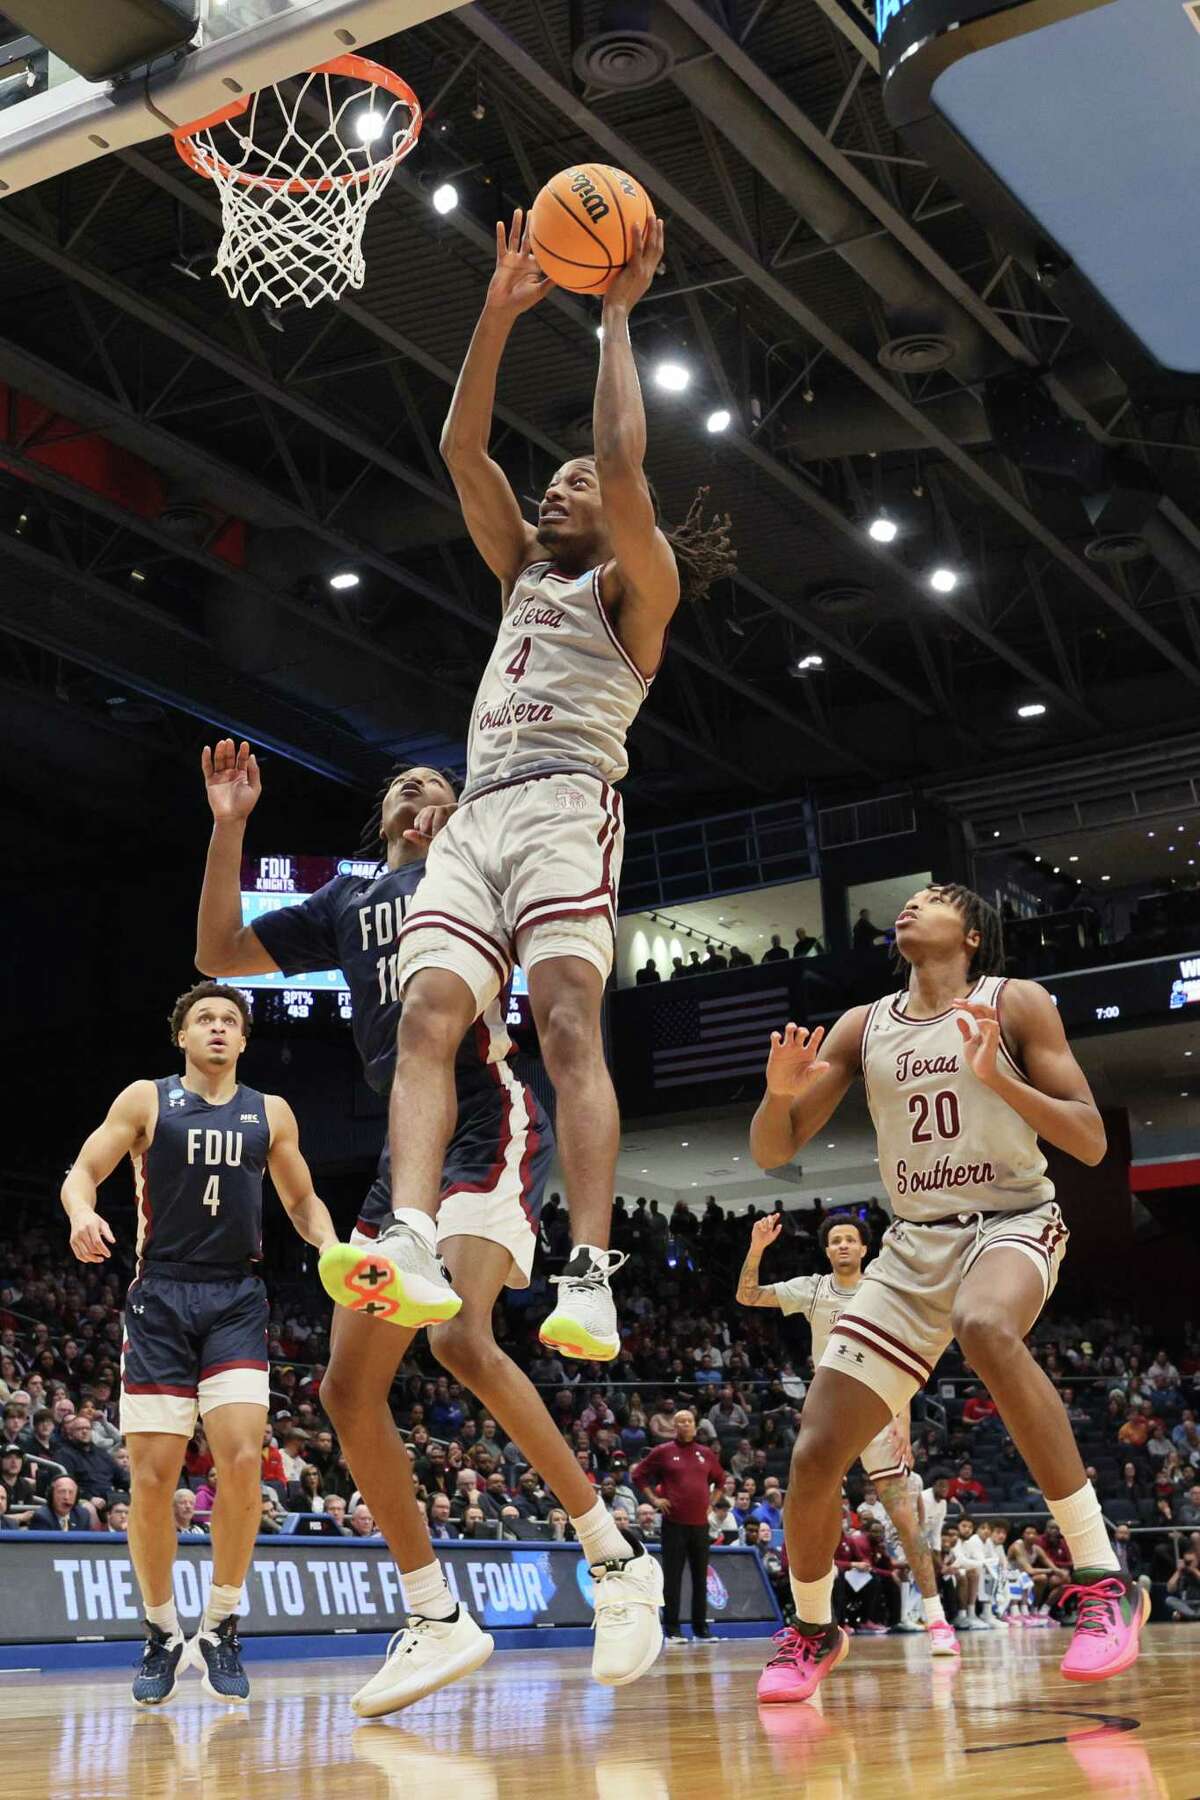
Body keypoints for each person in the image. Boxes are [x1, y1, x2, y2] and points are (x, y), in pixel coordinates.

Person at [195, 746, 661, 1710]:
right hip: (406, 1152)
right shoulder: (346, 903)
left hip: (489, 1113)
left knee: (457, 1336)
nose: (424, 799)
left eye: (442, 792)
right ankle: (434, 1614)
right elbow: (217, 956)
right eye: (407, 789)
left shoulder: (485, 874)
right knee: (345, 1388)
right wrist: (230, 826)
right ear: (383, 819)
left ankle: (615, 1562)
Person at [383, 208, 733, 1368]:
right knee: (428, 1019)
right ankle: (413, 1233)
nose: (555, 489)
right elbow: (459, 451)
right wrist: (493, 316)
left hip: (567, 804)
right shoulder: (521, 576)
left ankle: (589, 1273)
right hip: (478, 815)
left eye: (572, 485)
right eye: (555, 481)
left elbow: (625, 461)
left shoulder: (639, 594)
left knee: (569, 1022)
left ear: (618, 520)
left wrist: (616, 317)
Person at [748, 882, 1140, 1704]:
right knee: (816, 1453)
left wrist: (998, 1076)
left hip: (1011, 1220)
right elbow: (773, 1151)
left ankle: (1104, 1580)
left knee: (984, 1324)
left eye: (931, 899)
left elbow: (1091, 1140)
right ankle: (813, 1631)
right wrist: (778, 1094)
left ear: (970, 931)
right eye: (910, 901)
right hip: (913, 1243)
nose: (910, 907)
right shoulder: (865, 1024)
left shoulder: (1016, 1002)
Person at [61, 980, 338, 1708]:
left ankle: (220, 1622)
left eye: (229, 1020)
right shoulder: (146, 1099)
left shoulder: (269, 1112)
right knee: (152, 1476)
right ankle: (160, 1631)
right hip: (161, 1294)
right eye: (204, 1019)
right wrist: (81, 1214)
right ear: (182, 1036)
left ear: (244, 1040)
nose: (217, 1028)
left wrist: (335, 1248)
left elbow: (302, 1201)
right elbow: (83, 1172)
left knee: (245, 1456)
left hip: (236, 1296)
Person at [737, 1212, 959, 1660]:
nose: (841, 1246)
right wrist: (758, 1247)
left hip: (879, 1405)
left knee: (905, 1520)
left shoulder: (881, 1291)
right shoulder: (814, 1288)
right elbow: (747, 1295)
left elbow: (904, 1355)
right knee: (819, 1515)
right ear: (827, 1250)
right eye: (834, 1240)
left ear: (863, 1249)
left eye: (849, 1240)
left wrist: (904, 1422)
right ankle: (818, 1623)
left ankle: (936, 1619)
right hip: (830, 1411)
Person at [632, 1409, 724, 1644]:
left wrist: (711, 1504)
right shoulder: (663, 1452)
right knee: (672, 1578)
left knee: (700, 1578)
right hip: (674, 1524)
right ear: (675, 1426)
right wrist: (654, 1500)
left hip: (700, 1525)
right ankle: (672, 1630)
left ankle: (701, 1630)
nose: (685, 1425)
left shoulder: (706, 1454)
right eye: (680, 1422)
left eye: (689, 1421)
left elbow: (721, 1481)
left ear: (695, 1425)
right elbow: (638, 1475)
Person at [27, 1473, 93, 1532]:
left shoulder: (83, 1515)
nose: (67, 1497)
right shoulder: (41, 1517)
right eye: (62, 1492)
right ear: (51, 1495)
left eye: (71, 1492)